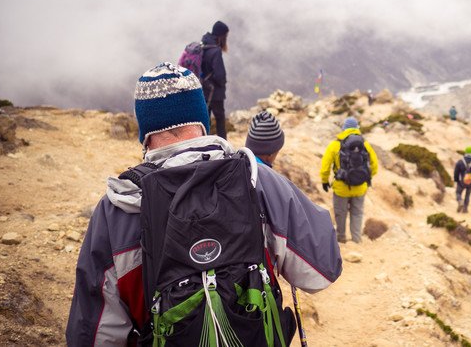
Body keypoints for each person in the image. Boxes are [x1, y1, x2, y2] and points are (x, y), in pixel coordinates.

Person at [67, 63, 342, 346]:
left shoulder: (117, 209)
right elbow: (322, 271)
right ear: (202, 119)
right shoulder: (257, 180)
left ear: (146, 134)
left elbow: (93, 335)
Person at [320, 117, 378, 243]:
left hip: (341, 187)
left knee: (341, 213)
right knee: (357, 213)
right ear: (357, 128)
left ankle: (341, 239)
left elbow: (325, 166)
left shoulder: (335, 145)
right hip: (360, 187)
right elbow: (375, 165)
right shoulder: (365, 144)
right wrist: (366, 177)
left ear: (344, 129)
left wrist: (325, 181)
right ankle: (356, 240)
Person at [201, 20, 229, 139]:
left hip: (204, 89)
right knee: (220, 120)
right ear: (222, 35)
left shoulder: (203, 46)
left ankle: (203, 145)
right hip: (215, 92)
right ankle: (225, 147)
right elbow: (219, 74)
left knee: (205, 121)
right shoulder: (216, 51)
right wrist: (223, 83)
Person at [453, 146, 471, 213]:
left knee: (458, 192)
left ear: (465, 152)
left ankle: (460, 201)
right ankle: (465, 209)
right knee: (467, 195)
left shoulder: (460, 161)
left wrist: (456, 180)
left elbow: (456, 172)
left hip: (461, 182)